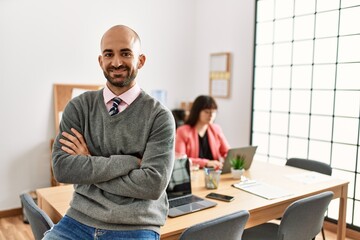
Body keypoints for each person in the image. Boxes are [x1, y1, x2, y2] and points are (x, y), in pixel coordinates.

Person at [45, 25, 175, 240]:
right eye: (109, 54)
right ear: (100, 61)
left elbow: (152, 185)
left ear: (140, 60)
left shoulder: (159, 117)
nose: (116, 62)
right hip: (78, 220)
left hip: (136, 225)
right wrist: (130, 162)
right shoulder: (78, 108)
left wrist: (88, 163)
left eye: (125, 53)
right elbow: (62, 169)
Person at [175, 95, 230, 169]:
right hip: (194, 174)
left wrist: (231, 159)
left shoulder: (216, 129)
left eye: (214, 112)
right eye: (207, 112)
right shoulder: (183, 131)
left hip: (214, 174)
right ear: (197, 112)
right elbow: (180, 160)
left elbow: (227, 152)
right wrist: (206, 163)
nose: (211, 115)